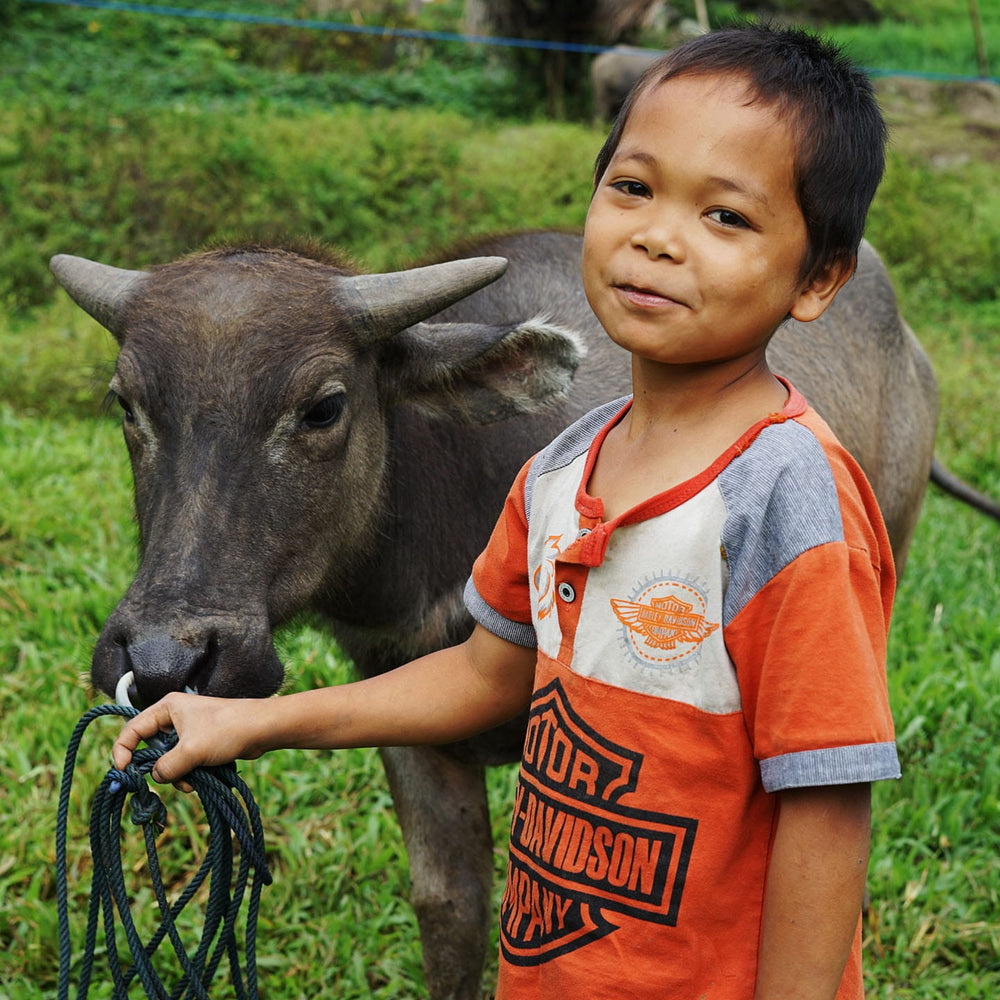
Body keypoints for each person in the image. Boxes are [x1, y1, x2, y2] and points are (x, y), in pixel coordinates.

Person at [113, 22, 901, 999]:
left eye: (726, 217)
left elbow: (826, 802)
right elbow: (483, 677)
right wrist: (251, 723)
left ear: (819, 277)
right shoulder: (561, 472)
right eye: (633, 188)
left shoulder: (790, 500)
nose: (658, 236)